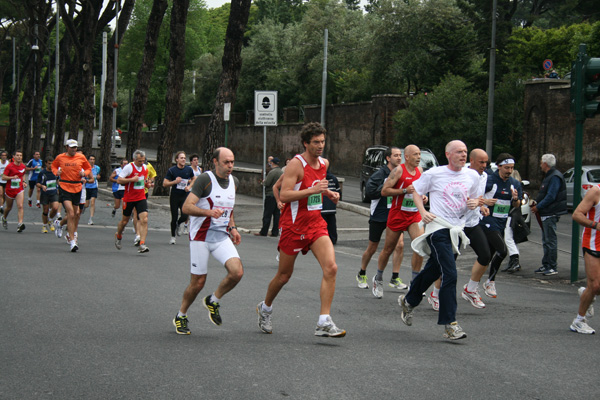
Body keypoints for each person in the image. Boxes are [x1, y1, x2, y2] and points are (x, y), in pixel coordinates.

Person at [256, 122, 346, 338]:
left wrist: (328, 194)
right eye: (316, 142)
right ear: (306, 143)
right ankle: (265, 308)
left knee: (331, 267)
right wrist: (311, 190)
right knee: (284, 275)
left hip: (315, 224)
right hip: (293, 226)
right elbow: (285, 195)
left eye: (323, 141)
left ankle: (323, 321)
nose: (320, 146)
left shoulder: (323, 163)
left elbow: (318, 188)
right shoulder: (296, 165)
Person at [398, 140, 480, 340]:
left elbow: (476, 198)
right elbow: (416, 190)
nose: (463, 155)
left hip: (456, 230)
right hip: (438, 228)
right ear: (448, 154)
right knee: (449, 274)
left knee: (434, 269)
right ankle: (450, 324)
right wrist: (422, 211)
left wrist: (475, 202)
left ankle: (409, 300)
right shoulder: (434, 174)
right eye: (459, 152)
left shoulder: (472, 175)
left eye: (465, 152)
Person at [173, 147, 243, 335]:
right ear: (215, 161)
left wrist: (233, 227)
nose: (230, 166)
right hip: (201, 237)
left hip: (220, 236)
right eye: (226, 162)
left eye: (232, 162)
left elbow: (229, 208)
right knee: (198, 282)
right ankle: (181, 315)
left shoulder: (234, 182)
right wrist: (208, 212)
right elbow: (187, 207)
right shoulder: (205, 180)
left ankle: (213, 300)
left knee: (237, 273)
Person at [373, 145, 426, 298]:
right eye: (415, 154)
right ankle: (378, 278)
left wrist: (422, 197)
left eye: (419, 154)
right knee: (388, 249)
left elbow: (419, 190)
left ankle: (415, 283)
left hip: (414, 215)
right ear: (407, 157)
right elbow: (384, 191)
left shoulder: (420, 171)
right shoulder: (398, 171)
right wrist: (404, 191)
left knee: (419, 246)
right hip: (397, 214)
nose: (418, 157)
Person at [356, 146, 404, 290]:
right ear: (388, 158)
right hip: (379, 215)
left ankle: (395, 278)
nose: (399, 158)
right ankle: (362, 273)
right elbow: (370, 191)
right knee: (372, 247)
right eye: (395, 155)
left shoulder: (401, 173)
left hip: (394, 215)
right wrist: (386, 190)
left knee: (399, 245)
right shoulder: (380, 174)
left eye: (400, 155)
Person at [477, 154, 522, 299]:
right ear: (499, 167)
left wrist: (515, 199)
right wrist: (485, 201)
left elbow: (517, 205)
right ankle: (490, 282)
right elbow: (475, 195)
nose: (509, 171)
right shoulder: (489, 180)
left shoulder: (514, 183)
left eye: (512, 168)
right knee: (502, 250)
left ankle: (472, 286)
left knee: (487, 256)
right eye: (507, 168)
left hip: (502, 221)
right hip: (488, 220)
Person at [456, 148, 495, 310]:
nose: (484, 165)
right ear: (471, 161)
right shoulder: (461, 174)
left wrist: (482, 206)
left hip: (472, 223)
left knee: (485, 255)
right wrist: (478, 203)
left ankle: (470, 289)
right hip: (456, 224)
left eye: (486, 162)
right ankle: (435, 294)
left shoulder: (484, 176)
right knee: (448, 261)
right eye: (481, 162)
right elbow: (459, 197)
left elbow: (476, 197)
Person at [52, 139, 91, 252]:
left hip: (77, 187)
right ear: (66, 147)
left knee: (76, 213)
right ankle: (72, 241)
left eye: (75, 147)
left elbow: (88, 168)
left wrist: (84, 174)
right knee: (71, 212)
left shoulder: (81, 157)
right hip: (64, 186)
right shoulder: (60, 157)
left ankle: (60, 223)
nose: (74, 149)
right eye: (71, 147)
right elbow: (54, 166)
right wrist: (56, 173)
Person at [531, 154, 567, 276]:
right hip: (547, 212)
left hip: (550, 212)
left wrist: (538, 206)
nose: (540, 164)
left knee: (550, 240)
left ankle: (551, 266)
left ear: (545, 164)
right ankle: (546, 264)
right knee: (547, 240)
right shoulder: (551, 176)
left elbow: (551, 196)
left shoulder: (554, 177)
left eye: (541, 162)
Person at [571, 184, 600, 334]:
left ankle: (586, 294)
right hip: (593, 243)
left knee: (595, 288)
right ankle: (579, 321)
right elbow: (577, 214)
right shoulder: (596, 191)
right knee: (595, 286)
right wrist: (596, 225)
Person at [114, 150, 151, 253]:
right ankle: (119, 235)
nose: (142, 163)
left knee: (144, 219)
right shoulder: (129, 167)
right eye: (139, 161)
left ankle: (142, 244)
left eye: (143, 161)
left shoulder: (144, 168)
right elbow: (119, 180)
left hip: (141, 197)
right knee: (124, 221)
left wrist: (147, 184)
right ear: (134, 159)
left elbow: (143, 181)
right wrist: (131, 180)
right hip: (129, 198)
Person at [163, 151, 195, 245]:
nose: (183, 159)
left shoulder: (188, 169)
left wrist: (189, 187)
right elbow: (165, 183)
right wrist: (174, 182)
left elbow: (194, 179)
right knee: (174, 216)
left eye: (184, 158)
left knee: (185, 215)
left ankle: (179, 223)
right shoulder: (172, 170)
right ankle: (173, 237)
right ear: (177, 159)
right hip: (175, 196)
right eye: (181, 158)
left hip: (184, 195)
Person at [256, 157, 283, 237]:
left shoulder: (272, 172)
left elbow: (267, 183)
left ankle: (264, 231)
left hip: (270, 195)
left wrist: (263, 182)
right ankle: (275, 232)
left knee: (267, 214)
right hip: (278, 195)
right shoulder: (281, 172)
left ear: (272, 163)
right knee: (276, 215)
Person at [1, 150, 28, 232]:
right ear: (14, 157)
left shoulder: (23, 166)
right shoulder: (9, 166)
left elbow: (22, 175)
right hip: (10, 189)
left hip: (19, 189)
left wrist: (24, 182)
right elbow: (3, 177)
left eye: (20, 155)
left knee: (20, 206)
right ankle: (4, 217)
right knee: (9, 207)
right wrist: (12, 177)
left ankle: (20, 224)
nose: (19, 157)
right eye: (17, 155)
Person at [37, 157, 60, 233]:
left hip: (53, 192)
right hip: (45, 193)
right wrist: (42, 186)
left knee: (55, 207)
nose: (51, 165)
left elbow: (58, 180)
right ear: (46, 164)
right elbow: (37, 183)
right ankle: (44, 225)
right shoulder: (42, 173)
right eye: (49, 163)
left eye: (52, 163)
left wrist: (59, 188)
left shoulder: (55, 172)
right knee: (45, 210)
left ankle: (50, 219)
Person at [321, 169, 341, 244]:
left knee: (323, 227)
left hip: (321, 208)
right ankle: (333, 239)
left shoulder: (318, 178)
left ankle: (324, 241)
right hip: (331, 207)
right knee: (332, 225)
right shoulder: (333, 178)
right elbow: (338, 191)